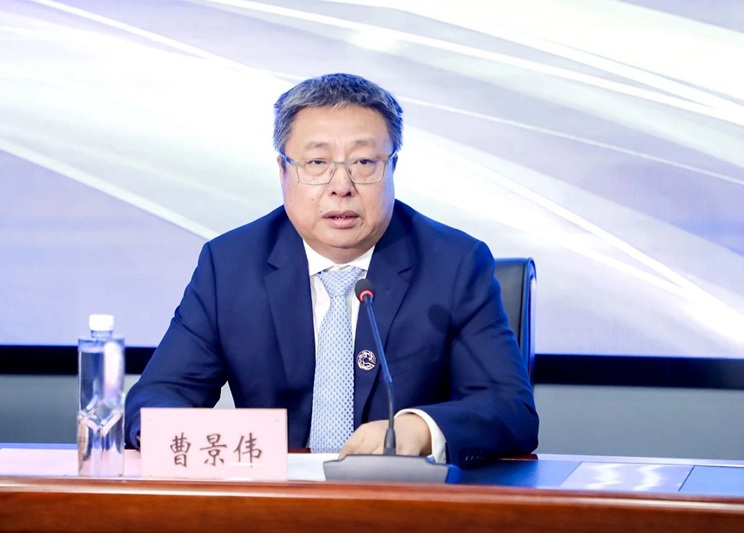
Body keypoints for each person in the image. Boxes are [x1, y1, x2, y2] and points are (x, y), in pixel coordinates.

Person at [125, 73, 538, 467]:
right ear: (283, 170)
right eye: (317, 162)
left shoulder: (454, 264)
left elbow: (511, 408)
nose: (341, 186)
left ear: (392, 167)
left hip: (404, 498)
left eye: (363, 162)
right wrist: (203, 438)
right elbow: (157, 398)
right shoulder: (230, 264)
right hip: (274, 500)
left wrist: (422, 429)